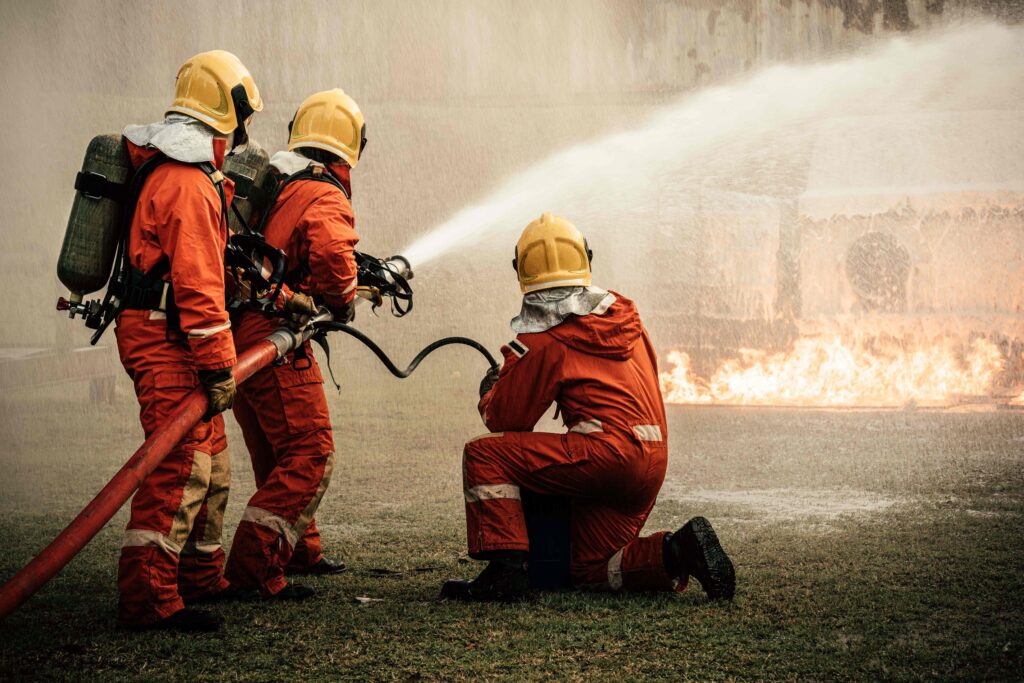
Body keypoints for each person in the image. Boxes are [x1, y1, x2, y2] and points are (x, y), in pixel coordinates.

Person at [442, 213, 735, 602]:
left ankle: (506, 573)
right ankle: (679, 550)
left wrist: (492, 389)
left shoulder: (545, 338)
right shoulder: (627, 320)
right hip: (651, 458)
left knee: (485, 455)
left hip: (606, 456)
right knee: (592, 568)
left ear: (519, 270)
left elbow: (506, 419)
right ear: (586, 259)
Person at [115, 50, 262, 631]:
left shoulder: (189, 175)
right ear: (226, 114)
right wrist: (221, 366)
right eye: (242, 119)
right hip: (166, 337)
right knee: (180, 465)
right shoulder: (186, 182)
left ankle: (198, 575)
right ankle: (149, 597)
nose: (244, 133)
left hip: (172, 334)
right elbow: (198, 286)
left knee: (212, 460)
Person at [223, 88, 365, 599]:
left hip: (242, 329)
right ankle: (255, 569)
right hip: (273, 333)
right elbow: (333, 261)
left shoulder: (279, 180)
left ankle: (300, 551)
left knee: (279, 453)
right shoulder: (323, 193)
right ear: (349, 146)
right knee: (310, 452)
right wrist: (342, 299)